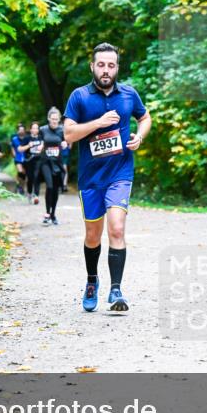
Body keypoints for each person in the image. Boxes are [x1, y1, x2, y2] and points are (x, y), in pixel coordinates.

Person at [63, 42, 151, 313]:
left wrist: (139, 136)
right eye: (101, 64)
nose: (105, 70)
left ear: (116, 68)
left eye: (111, 65)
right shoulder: (79, 97)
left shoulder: (128, 94)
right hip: (91, 178)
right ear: (92, 66)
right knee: (93, 235)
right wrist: (98, 123)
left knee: (116, 228)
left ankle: (116, 289)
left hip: (120, 172)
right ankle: (92, 281)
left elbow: (145, 117)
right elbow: (68, 135)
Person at [37, 108, 66, 225]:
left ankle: (53, 214)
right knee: (49, 186)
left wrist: (65, 143)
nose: (54, 121)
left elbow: (67, 140)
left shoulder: (62, 130)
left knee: (55, 189)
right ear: (49, 119)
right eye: (52, 119)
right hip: (46, 162)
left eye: (56, 119)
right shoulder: (43, 130)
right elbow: (40, 141)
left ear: (59, 119)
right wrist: (40, 146)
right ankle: (47, 213)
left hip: (57, 163)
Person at [10, 123, 32, 198]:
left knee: (24, 175)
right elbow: (13, 147)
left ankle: (20, 186)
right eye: (20, 130)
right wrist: (13, 153)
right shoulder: (15, 139)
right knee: (20, 171)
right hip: (18, 158)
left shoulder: (27, 138)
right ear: (17, 131)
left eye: (23, 130)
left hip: (26, 158)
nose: (21, 131)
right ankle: (19, 185)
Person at [26, 122, 44, 205]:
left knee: (37, 177)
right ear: (30, 129)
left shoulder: (41, 137)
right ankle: (29, 193)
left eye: (36, 128)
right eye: (33, 128)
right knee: (30, 178)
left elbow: (45, 145)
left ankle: (36, 195)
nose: (35, 130)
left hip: (39, 159)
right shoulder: (27, 138)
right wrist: (28, 146)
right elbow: (20, 149)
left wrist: (42, 147)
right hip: (29, 160)